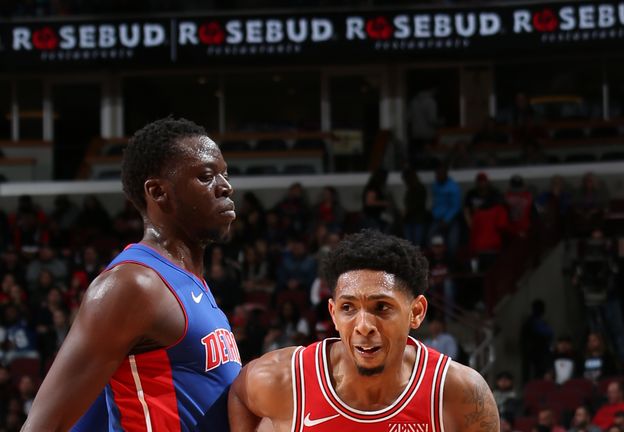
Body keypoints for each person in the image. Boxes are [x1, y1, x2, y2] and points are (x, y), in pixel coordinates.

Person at [22, 117, 242, 431]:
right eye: (206, 176)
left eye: (224, 174)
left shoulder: (190, 284)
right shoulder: (133, 285)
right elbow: (44, 425)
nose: (225, 186)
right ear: (157, 191)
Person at [228, 229, 499, 431]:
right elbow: (239, 394)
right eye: (348, 308)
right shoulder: (284, 379)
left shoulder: (460, 392)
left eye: (382, 307)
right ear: (333, 313)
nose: (364, 326)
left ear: (416, 313)